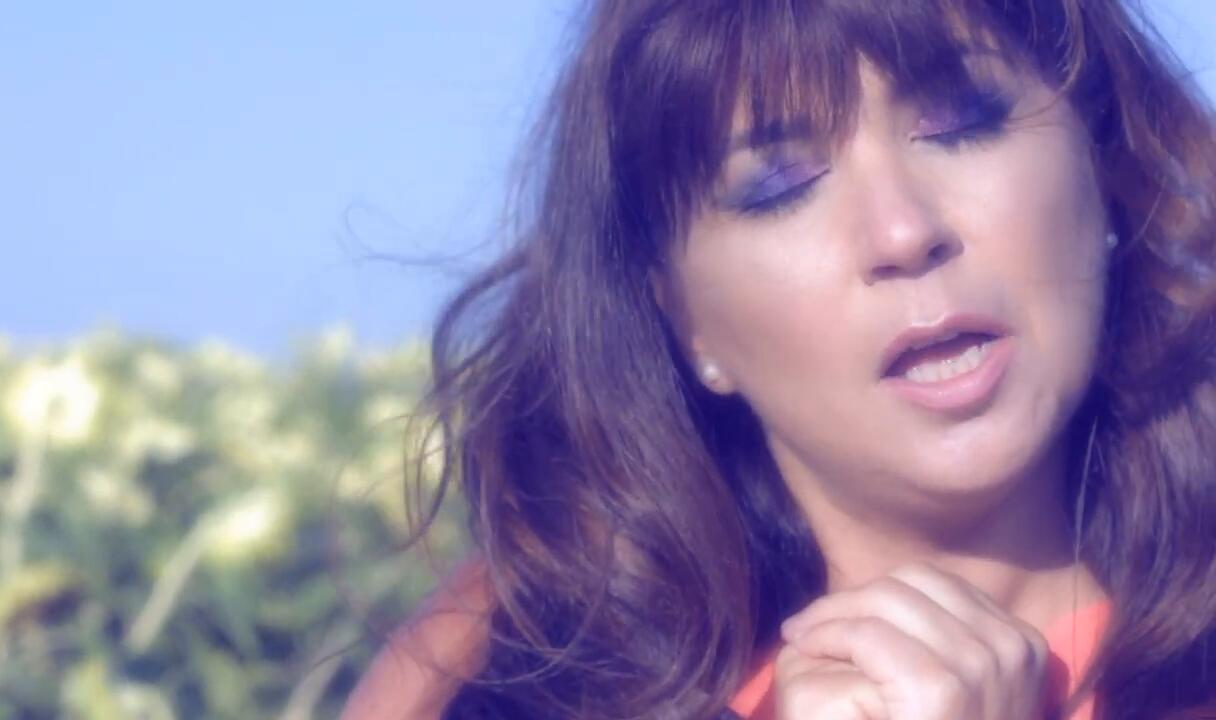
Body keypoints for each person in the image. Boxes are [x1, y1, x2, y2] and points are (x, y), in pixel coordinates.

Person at [344, 0, 1216, 717]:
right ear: (682, 316)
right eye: (779, 187)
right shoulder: (504, 669)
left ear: (1101, 153)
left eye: (960, 123)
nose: (903, 233)